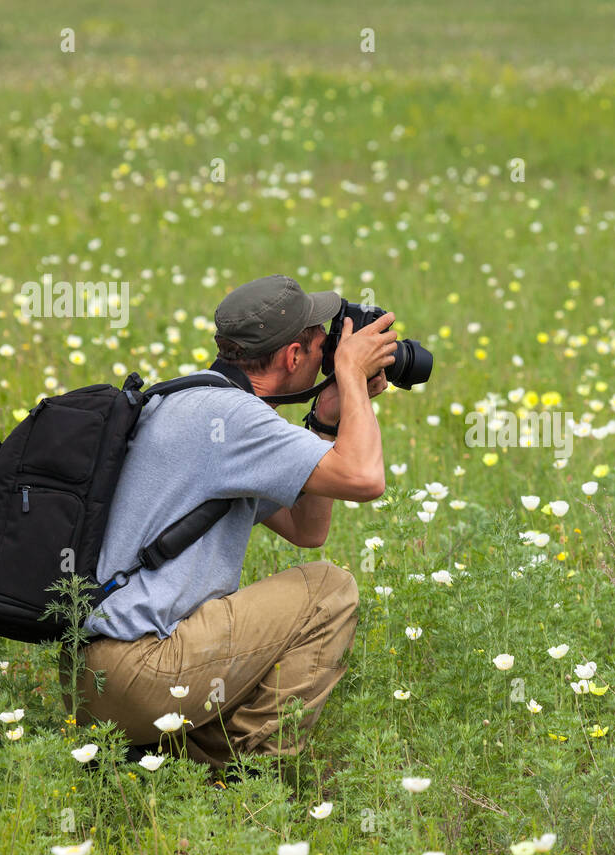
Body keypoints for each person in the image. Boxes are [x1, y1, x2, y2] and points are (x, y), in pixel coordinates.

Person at [58, 274, 397, 773]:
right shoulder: (234, 419)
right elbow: (365, 478)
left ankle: (162, 758)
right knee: (329, 590)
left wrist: (327, 422)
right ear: (293, 357)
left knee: (314, 580)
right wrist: (350, 376)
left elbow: (307, 529)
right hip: (142, 671)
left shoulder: (187, 402)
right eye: (324, 344)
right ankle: (243, 778)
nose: (330, 354)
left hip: (90, 679)